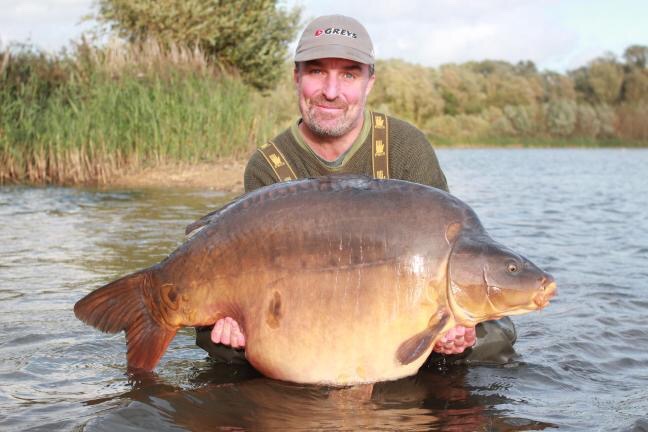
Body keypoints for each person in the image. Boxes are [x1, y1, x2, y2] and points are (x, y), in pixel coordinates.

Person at [195, 15, 516, 367]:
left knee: (493, 331)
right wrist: (237, 316)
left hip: (397, 305)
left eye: (348, 74)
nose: (331, 91)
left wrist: (455, 328)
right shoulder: (269, 165)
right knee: (217, 341)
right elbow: (250, 271)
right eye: (317, 72)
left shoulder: (405, 146)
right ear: (296, 77)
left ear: (369, 83)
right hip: (308, 305)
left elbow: (447, 256)